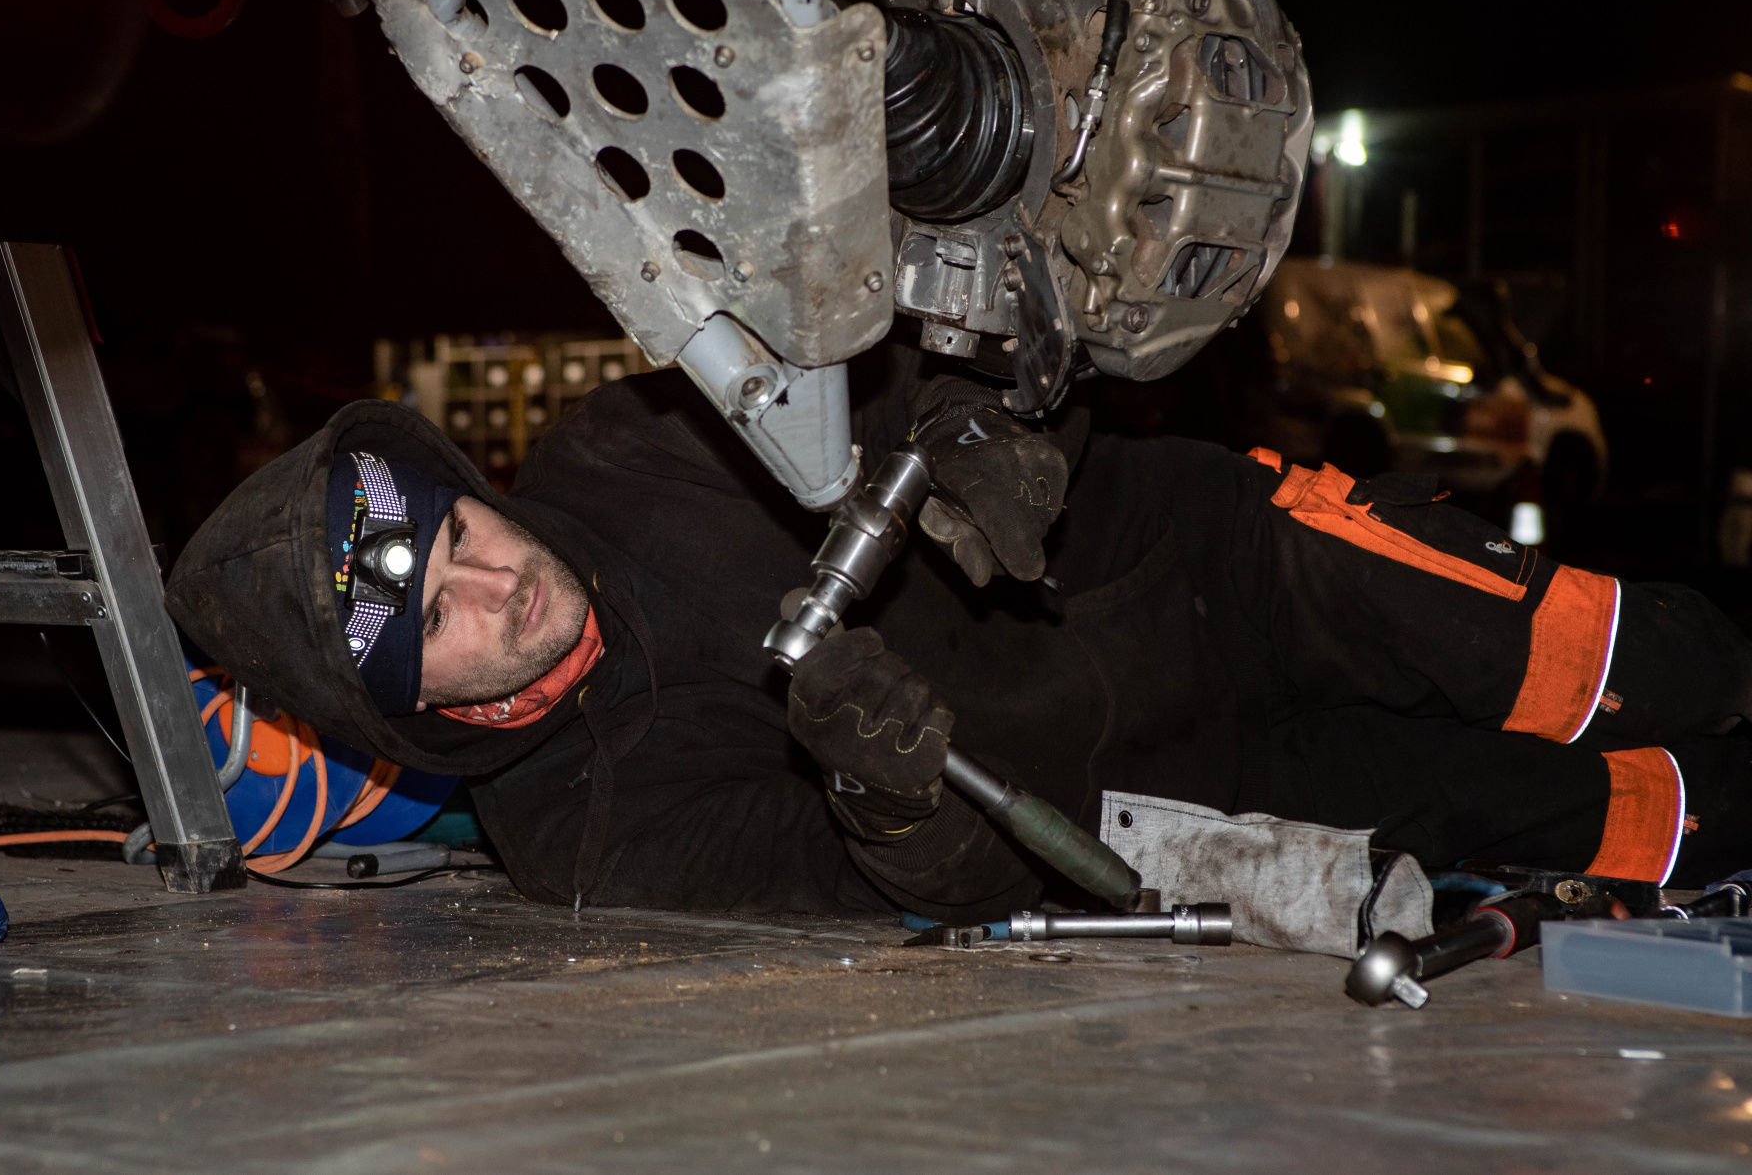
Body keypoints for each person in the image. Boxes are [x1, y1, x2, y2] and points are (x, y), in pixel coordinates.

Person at [165, 352, 1752, 931]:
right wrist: (894, 795)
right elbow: (883, 885)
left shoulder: (628, 443)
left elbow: (918, 347)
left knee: (1598, 656)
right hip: (1184, 784)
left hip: (1214, 563)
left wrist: (995, 428)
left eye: (458, 534)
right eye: (433, 623)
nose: (490, 583)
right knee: (1591, 822)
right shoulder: (585, 832)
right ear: (413, 721)